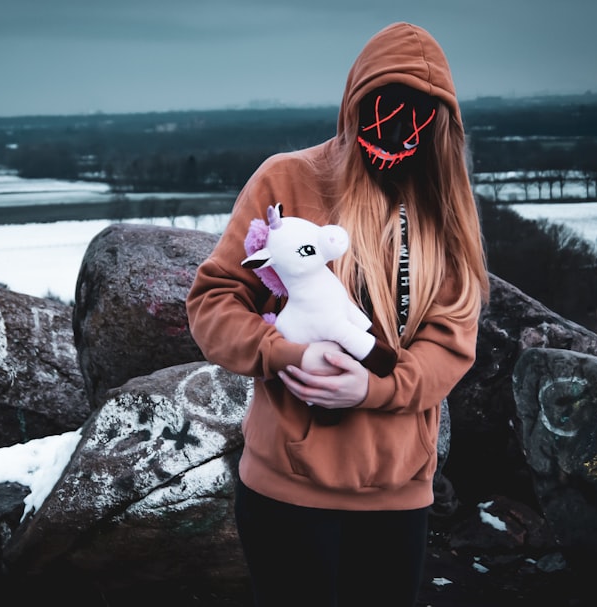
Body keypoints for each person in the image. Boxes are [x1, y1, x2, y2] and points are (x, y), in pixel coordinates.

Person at [185, 21, 489, 607]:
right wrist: (285, 353)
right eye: (381, 110)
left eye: (418, 116)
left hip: (398, 496)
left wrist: (372, 388)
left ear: (440, 124)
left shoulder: (443, 206)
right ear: (354, 104)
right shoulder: (287, 181)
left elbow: (450, 341)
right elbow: (214, 300)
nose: (397, 129)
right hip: (287, 491)